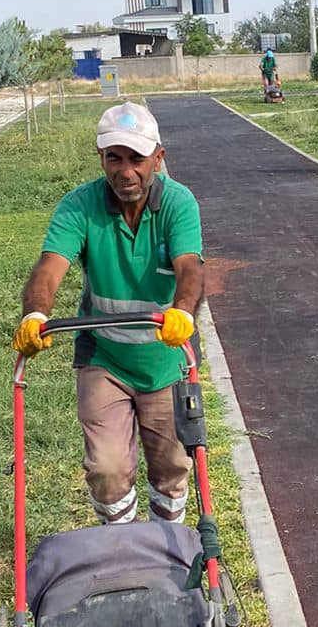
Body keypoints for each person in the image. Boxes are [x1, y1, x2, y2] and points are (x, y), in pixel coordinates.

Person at [14, 103, 205, 525]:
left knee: (173, 465)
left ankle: (165, 544)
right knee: (107, 469)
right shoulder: (79, 206)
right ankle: (121, 541)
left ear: (159, 156)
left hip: (166, 361)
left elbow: (190, 267)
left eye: (136, 159)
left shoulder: (178, 204)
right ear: (100, 158)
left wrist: (183, 312)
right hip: (105, 360)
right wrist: (35, 314)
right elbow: (49, 268)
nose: (125, 171)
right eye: (113, 158)